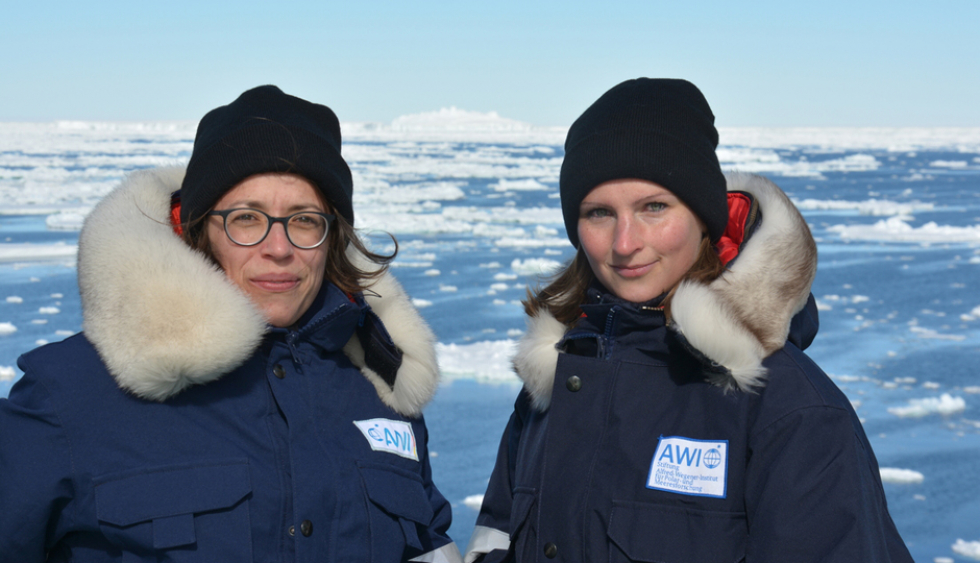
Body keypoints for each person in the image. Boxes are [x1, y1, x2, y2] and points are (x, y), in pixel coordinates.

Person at [0, 85, 462, 563]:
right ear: (198, 228)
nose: (279, 248)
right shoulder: (71, 394)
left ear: (331, 236)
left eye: (304, 220)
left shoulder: (380, 390)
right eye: (247, 218)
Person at [465, 78, 912, 563]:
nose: (625, 243)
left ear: (704, 217)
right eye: (599, 213)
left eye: (654, 207)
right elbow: (495, 542)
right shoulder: (560, 379)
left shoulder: (791, 410)